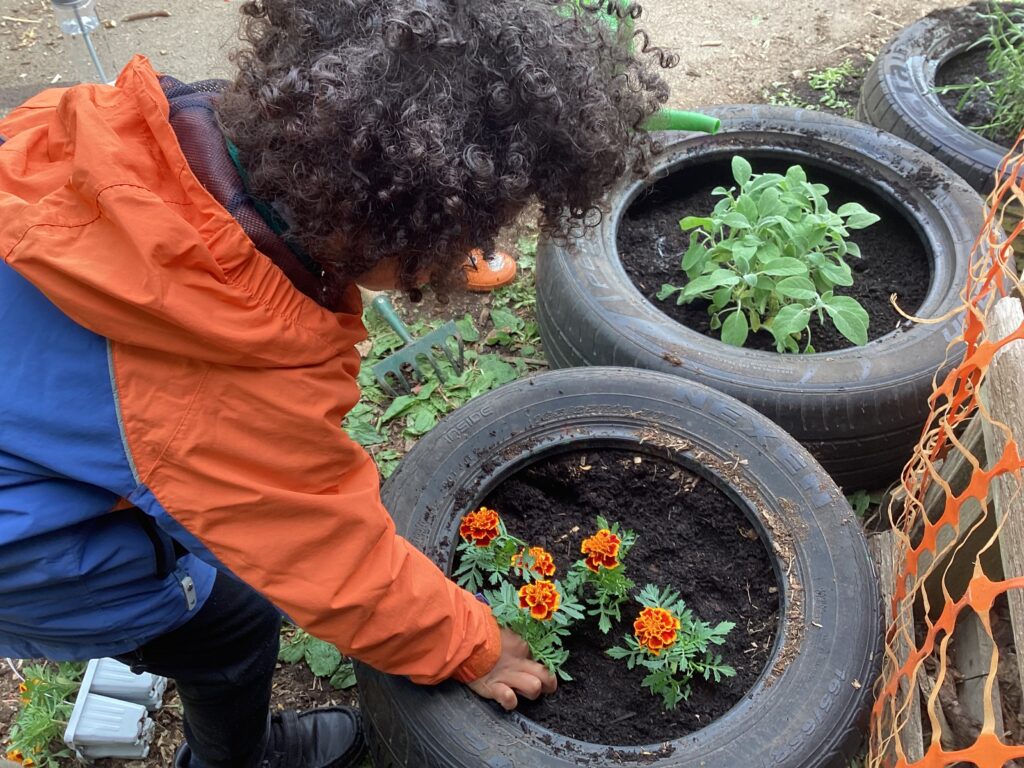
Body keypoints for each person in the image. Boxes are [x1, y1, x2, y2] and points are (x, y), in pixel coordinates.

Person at [0, 0, 673, 765]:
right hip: (19, 546)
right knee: (231, 621)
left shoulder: (149, 132)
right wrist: (472, 644)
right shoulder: (217, 393)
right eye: (466, 232)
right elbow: (332, 559)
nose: (469, 256)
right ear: (396, 228)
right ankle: (236, 759)